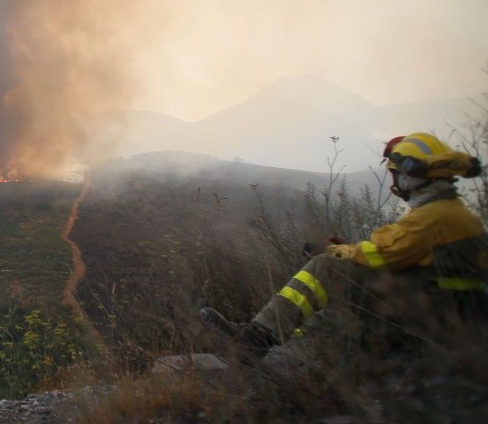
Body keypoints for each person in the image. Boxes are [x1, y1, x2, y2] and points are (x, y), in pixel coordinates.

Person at [203, 132, 488, 360]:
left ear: (409, 174)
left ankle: (255, 341)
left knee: (326, 269)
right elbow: (397, 252)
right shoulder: (451, 211)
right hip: (448, 309)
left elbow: (380, 255)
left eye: (395, 173)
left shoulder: (432, 215)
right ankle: (285, 338)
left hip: (437, 314)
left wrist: (332, 251)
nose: (394, 181)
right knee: (342, 273)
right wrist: (350, 250)